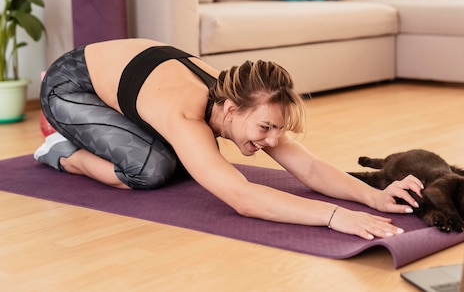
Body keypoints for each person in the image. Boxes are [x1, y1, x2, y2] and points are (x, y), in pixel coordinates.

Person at [35, 38, 424, 240]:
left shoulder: (248, 101)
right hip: (70, 86)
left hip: (124, 87)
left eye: (278, 130)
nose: (272, 141)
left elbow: (307, 165)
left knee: (188, 162)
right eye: (265, 129)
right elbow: (243, 198)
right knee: (151, 168)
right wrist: (335, 216)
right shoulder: (187, 114)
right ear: (231, 110)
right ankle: (60, 147)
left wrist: (373, 196)